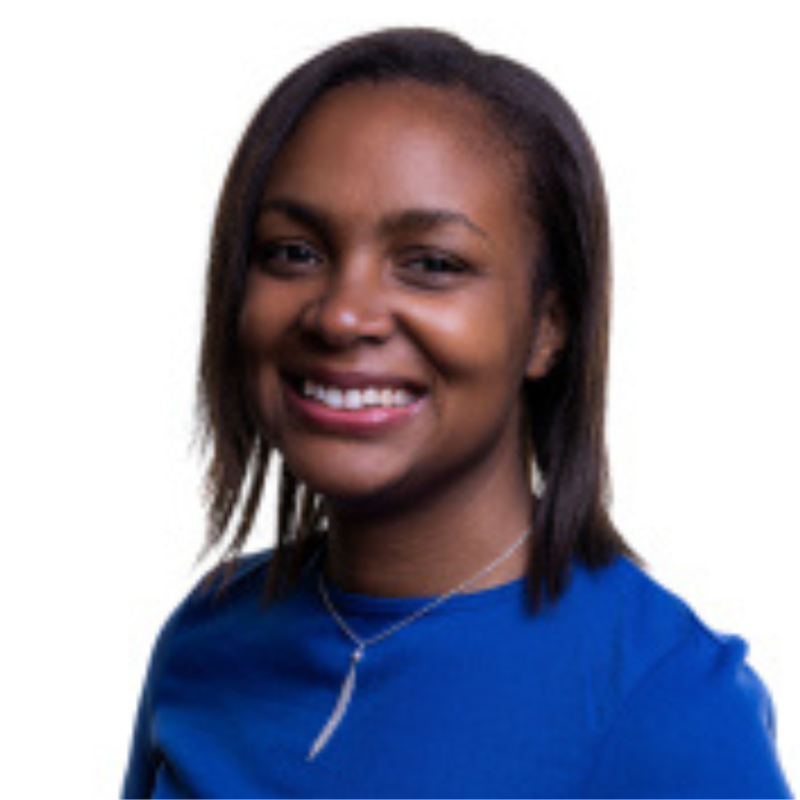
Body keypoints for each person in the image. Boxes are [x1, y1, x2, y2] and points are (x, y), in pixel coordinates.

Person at [120, 27, 793, 800]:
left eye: (432, 264)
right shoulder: (205, 640)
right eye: (293, 252)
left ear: (547, 327)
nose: (341, 315)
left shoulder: (668, 702)